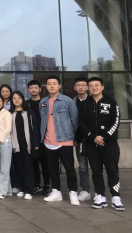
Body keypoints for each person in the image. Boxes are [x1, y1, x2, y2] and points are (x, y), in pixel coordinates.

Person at [81, 78, 125, 211]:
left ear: (102, 87)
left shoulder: (111, 102)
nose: (94, 88)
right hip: (92, 144)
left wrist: (104, 137)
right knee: (96, 171)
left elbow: (115, 121)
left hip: (109, 144)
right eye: (91, 86)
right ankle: (100, 196)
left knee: (112, 171)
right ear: (88, 88)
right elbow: (81, 123)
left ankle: (116, 197)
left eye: (96, 85)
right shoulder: (85, 103)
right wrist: (93, 137)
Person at [40, 76, 81, 206]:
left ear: (59, 86)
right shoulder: (43, 102)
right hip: (48, 141)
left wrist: (71, 135)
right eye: (49, 84)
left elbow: (74, 120)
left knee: (69, 168)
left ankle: (73, 193)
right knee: (52, 169)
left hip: (65, 141)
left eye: (54, 83)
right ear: (46, 86)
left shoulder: (67, 101)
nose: (52, 86)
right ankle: (56, 192)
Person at [10, 92, 40, 201]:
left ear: (23, 99)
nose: (17, 100)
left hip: (28, 144)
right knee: (19, 167)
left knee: (28, 167)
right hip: (15, 144)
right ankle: (22, 188)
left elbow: (35, 128)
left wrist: (36, 143)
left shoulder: (29, 112)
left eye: (19, 98)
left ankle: (29, 190)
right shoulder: (10, 113)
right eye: (14, 98)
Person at [27, 80, 51, 196]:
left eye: (35, 87)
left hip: (45, 136)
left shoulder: (45, 102)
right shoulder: (26, 104)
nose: (33, 90)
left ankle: (47, 185)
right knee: (33, 162)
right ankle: (36, 184)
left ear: (40, 89)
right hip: (32, 137)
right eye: (31, 88)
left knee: (45, 163)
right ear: (28, 90)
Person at [73, 77, 92, 203]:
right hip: (79, 140)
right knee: (83, 166)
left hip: (94, 139)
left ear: (87, 87)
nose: (80, 87)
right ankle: (85, 190)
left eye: (83, 85)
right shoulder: (72, 102)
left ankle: (99, 191)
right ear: (75, 88)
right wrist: (74, 138)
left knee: (96, 166)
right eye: (78, 85)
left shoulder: (93, 100)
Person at [0, 94, 13, 200]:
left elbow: (8, 128)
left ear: (3, 102)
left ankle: (2, 191)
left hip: (5, 141)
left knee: (5, 168)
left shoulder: (6, 113)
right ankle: (8, 190)